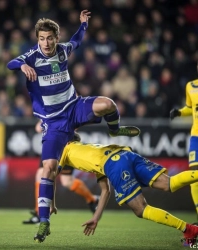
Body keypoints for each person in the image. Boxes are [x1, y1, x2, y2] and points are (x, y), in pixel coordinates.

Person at [7, 9, 140, 242]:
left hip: (73, 107)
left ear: (56, 38)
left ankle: (115, 129)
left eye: (50, 38)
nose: (46, 43)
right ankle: (44, 222)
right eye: (41, 38)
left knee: (108, 104)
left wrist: (83, 25)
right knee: (47, 168)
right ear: (37, 39)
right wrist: (21, 66)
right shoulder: (32, 57)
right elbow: (11, 61)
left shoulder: (62, 50)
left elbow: (77, 40)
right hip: (54, 122)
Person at [55, 139, 198, 246]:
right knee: (169, 183)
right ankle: (189, 229)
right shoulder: (88, 150)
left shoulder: (64, 148)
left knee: (140, 209)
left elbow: (50, 174)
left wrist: (47, 205)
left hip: (115, 164)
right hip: (125, 154)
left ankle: (189, 229)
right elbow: (105, 191)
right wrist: (96, 218)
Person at [23, 122, 99, 224]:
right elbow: (38, 127)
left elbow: (75, 124)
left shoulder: (66, 109)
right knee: (40, 175)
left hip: (65, 146)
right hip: (50, 145)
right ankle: (39, 213)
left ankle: (92, 199)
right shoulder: (48, 110)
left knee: (67, 182)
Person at [170, 61, 198, 219]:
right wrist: (179, 113)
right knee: (195, 175)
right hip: (196, 136)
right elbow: (191, 107)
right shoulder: (191, 86)